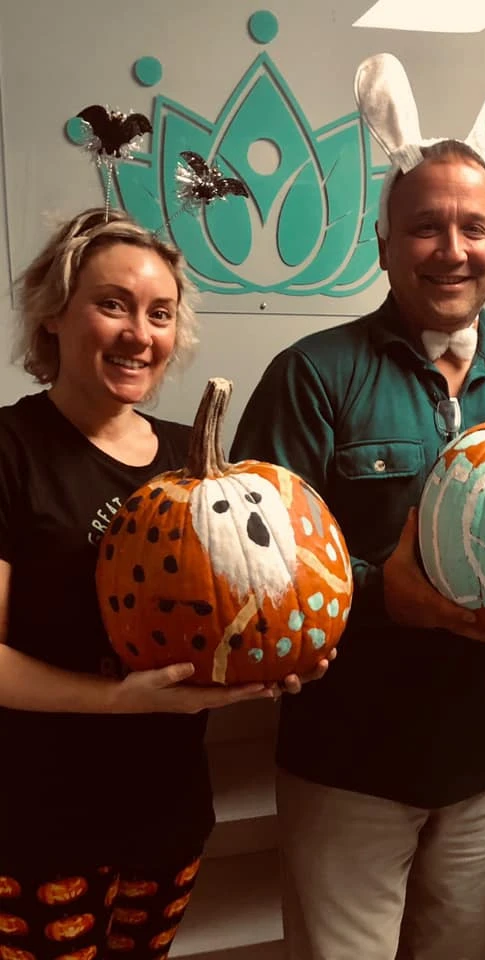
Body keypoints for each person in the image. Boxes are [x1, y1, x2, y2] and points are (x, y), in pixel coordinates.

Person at [230, 52, 485, 960]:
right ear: (384, 243)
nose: (452, 249)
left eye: (474, 226)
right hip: (347, 767)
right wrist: (382, 595)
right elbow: (253, 562)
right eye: (425, 227)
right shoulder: (311, 376)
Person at [0, 208, 287, 960]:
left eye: (160, 314)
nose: (140, 334)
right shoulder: (9, 452)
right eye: (113, 305)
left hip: (168, 811)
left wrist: (277, 655)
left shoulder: (198, 459)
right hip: (35, 820)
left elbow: (233, 605)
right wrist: (117, 700)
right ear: (54, 314)